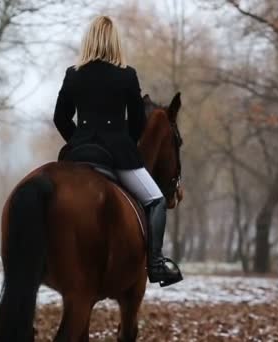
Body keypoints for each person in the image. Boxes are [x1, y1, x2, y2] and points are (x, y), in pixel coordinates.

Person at [53, 15, 182, 286]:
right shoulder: (126, 75)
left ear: (89, 40)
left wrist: (78, 140)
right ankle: (156, 265)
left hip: (80, 152)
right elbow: (137, 121)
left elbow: (60, 118)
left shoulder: (72, 73)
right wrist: (124, 143)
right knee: (156, 199)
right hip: (118, 153)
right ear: (115, 42)